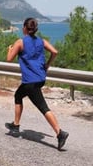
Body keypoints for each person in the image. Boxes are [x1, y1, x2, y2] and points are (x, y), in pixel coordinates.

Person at [5, 17, 69, 151]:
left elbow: (9, 59)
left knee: (43, 107)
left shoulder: (20, 42)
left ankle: (60, 133)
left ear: (24, 28)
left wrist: (9, 49)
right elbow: (55, 52)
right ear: (35, 29)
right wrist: (47, 65)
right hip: (39, 79)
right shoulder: (41, 41)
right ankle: (15, 126)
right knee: (18, 96)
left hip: (31, 81)